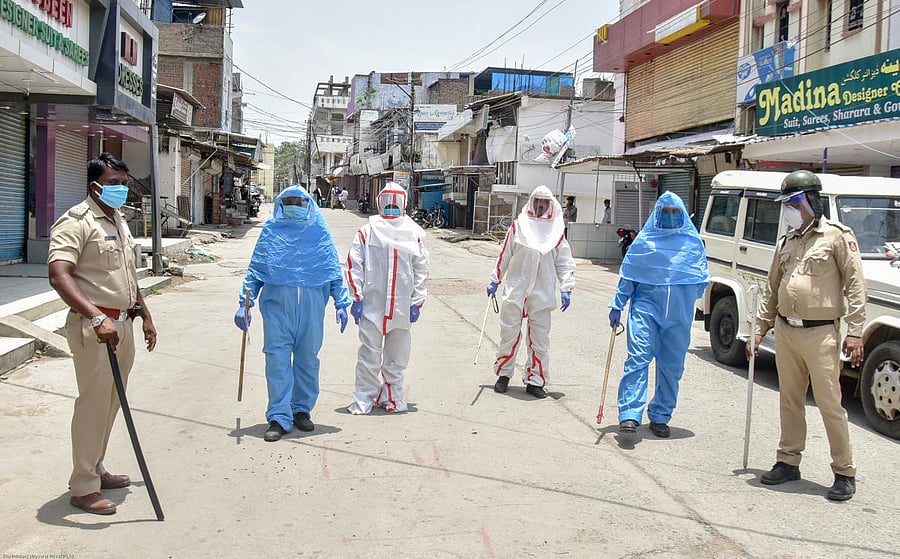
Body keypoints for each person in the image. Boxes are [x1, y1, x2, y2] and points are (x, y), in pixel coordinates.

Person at [47, 153, 158, 515]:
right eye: (114, 183)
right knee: (93, 404)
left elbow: (127, 274)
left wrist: (144, 314)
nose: (121, 189)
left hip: (122, 324)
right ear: (95, 185)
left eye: (124, 183)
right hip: (95, 328)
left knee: (112, 403)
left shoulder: (118, 220)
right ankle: (82, 486)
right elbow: (59, 274)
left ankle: (95, 468)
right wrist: (96, 318)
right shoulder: (76, 222)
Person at [747, 170, 866, 501]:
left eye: (795, 203)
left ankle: (844, 471)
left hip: (821, 334)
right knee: (790, 400)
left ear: (812, 201)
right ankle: (788, 461)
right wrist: (759, 330)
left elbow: (856, 286)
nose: (790, 209)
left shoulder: (837, 236)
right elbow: (772, 288)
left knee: (830, 404)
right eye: (786, 204)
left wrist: (855, 332)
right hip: (786, 332)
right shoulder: (786, 241)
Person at [234, 185, 351, 442]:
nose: (295, 206)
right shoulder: (271, 231)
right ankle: (278, 416)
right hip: (277, 308)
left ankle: (301, 409)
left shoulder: (319, 232)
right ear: (280, 204)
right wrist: (245, 303)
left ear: (309, 204)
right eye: (290, 202)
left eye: (300, 201)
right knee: (276, 361)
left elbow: (332, 269)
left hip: (311, 309)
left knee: (307, 360)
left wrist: (341, 302)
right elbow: (256, 270)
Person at [608, 191, 709, 438]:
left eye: (675, 213)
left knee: (672, 366)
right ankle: (630, 414)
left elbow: (701, 281)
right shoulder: (645, 242)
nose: (671, 217)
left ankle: (661, 414)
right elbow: (629, 276)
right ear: (657, 215)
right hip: (646, 309)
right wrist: (617, 304)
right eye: (666, 213)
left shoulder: (692, 243)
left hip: (678, 316)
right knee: (638, 358)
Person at [346, 182, 429, 414]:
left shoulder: (414, 233)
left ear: (403, 202)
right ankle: (364, 398)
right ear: (380, 201)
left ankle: (393, 397)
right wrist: (357, 296)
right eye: (388, 201)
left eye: (396, 201)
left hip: (402, 306)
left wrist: (417, 301)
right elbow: (354, 264)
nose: (392, 206)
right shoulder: (367, 231)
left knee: (397, 356)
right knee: (368, 355)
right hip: (372, 304)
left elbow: (421, 268)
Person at [488, 185, 576, 399]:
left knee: (539, 340)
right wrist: (495, 279)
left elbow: (565, 262)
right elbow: (505, 255)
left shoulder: (556, 232)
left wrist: (567, 287)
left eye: (545, 202)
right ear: (532, 202)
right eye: (537, 201)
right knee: (508, 334)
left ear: (550, 205)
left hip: (542, 293)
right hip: (516, 289)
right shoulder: (518, 227)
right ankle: (504, 375)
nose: (540, 205)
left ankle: (535, 380)